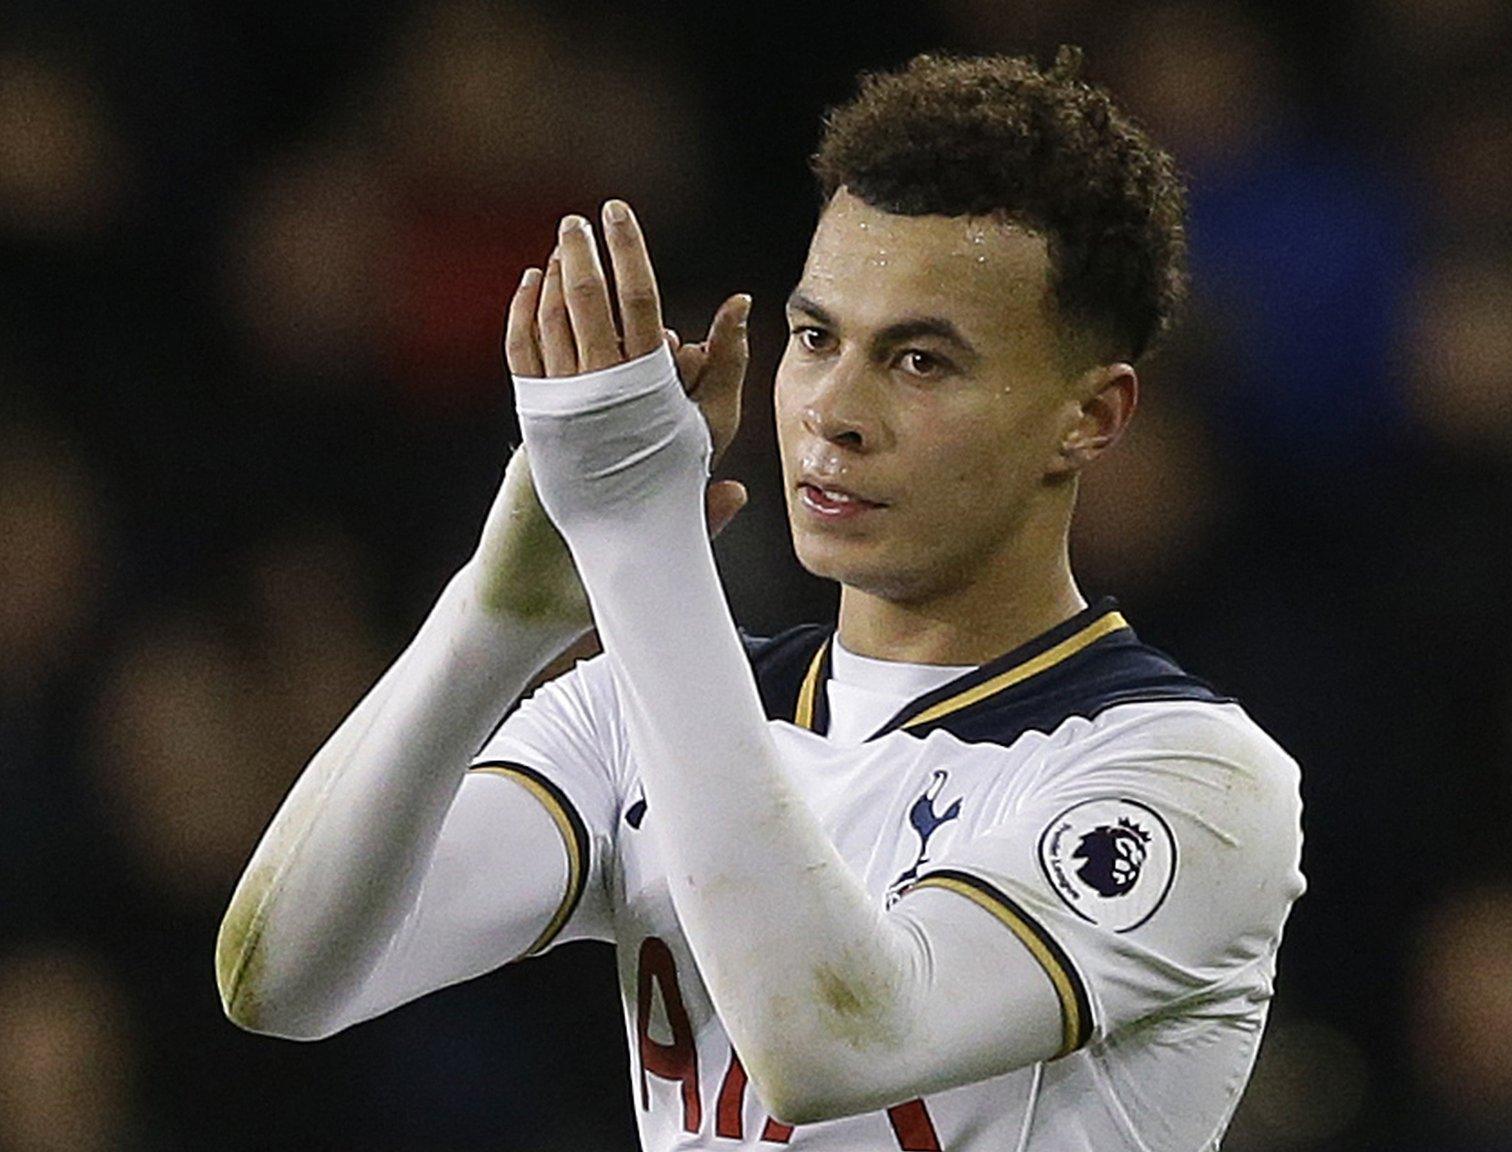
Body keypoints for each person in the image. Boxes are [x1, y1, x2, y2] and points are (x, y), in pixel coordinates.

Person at [217, 49, 1305, 1151]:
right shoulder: (635, 709)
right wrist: (496, 615)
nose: (833, 410)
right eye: (818, 338)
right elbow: (285, 979)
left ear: (1093, 417)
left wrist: (644, 551)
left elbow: (834, 1049)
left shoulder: (1187, 780)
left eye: (920, 361)